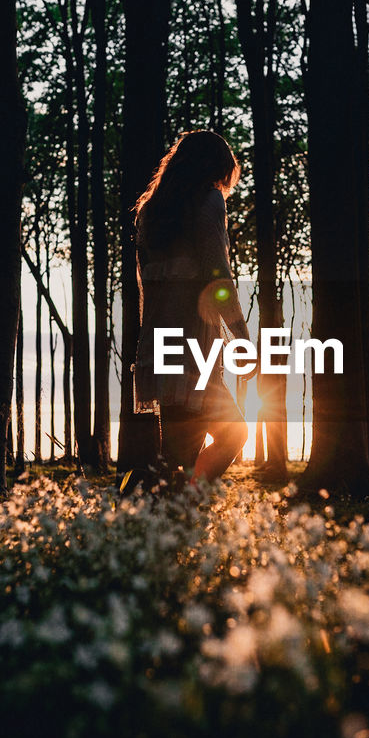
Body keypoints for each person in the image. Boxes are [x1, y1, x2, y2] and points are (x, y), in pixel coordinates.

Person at [131, 129, 254, 486]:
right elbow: (220, 277)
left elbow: (147, 285)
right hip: (193, 344)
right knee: (232, 435)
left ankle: (178, 515)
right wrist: (241, 339)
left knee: (177, 454)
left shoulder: (150, 211)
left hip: (160, 343)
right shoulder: (208, 201)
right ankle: (184, 510)